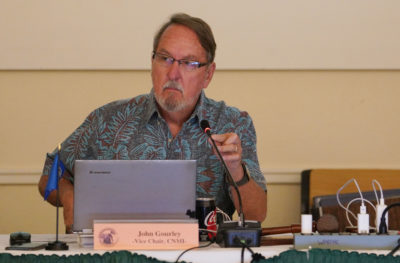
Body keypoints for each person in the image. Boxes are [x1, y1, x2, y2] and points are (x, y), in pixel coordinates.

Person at [38, 13, 267, 233]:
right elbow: (51, 173)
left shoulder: (233, 124)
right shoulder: (108, 121)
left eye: (188, 63)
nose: (173, 73)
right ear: (152, 62)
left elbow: (256, 214)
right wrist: (70, 198)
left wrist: (236, 171)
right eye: (165, 59)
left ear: (208, 74)